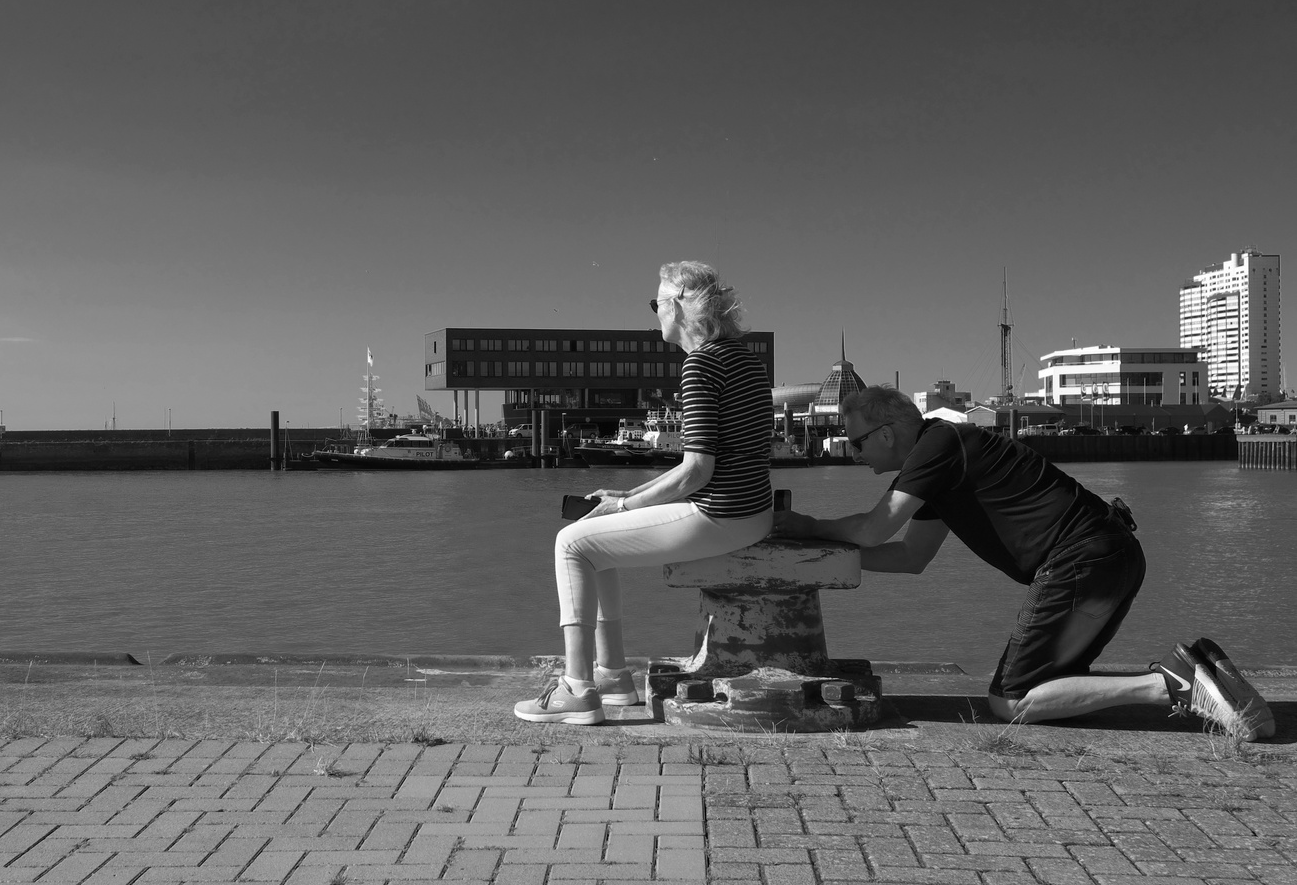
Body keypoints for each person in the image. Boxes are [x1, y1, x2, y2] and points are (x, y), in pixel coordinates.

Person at [774, 386, 1275, 741]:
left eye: (856, 440)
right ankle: (1209, 669)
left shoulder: (938, 444)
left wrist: (806, 527)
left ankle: (1172, 683)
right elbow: (909, 556)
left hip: (1081, 559)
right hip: (1111, 554)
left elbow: (872, 527)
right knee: (1052, 694)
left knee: (1011, 700)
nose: (851, 450)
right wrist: (827, 558)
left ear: (886, 433)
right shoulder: (942, 460)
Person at [515, 261, 774, 725]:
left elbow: (696, 471)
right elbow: (698, 464)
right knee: (597, 532)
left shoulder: (700, 366)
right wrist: (626, 494)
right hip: (754, 511)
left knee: (571, 541)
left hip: (721, 516)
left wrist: (628, 505)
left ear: (678, 307)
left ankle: (577, 688)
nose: (654, 314)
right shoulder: (744, 360)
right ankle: (612, 678)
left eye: (657, 303)